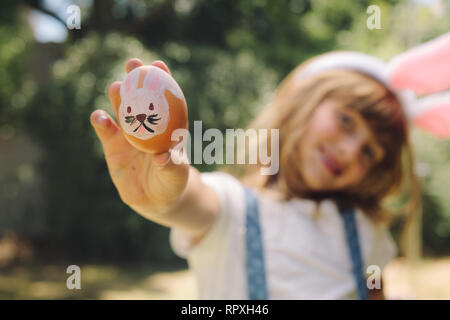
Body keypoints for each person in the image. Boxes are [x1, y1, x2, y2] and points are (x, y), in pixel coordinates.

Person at [90, 34, 450, 299]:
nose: (351, 149)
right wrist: (167, 196)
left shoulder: (364, 231)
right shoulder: (232, 210)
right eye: (346, 120)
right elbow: (193, 202)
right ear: (303, 102)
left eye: (371, 152)